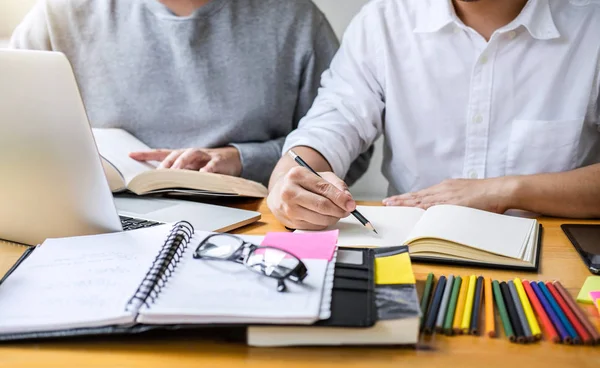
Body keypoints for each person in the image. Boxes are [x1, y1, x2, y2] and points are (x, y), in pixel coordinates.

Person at [268, 0, 600, 230]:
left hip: (553, 260)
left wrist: (506, 190)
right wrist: (289, 178)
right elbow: (333, 121)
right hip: (410, 250)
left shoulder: (591, 25)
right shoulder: (384, 20)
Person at [10, 0, 372, 186]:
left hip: (254, 225)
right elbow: (13, 139)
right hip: (101, 229)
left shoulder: (295, 20)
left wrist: (243, 159)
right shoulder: (60, 17)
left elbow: (348, 156)